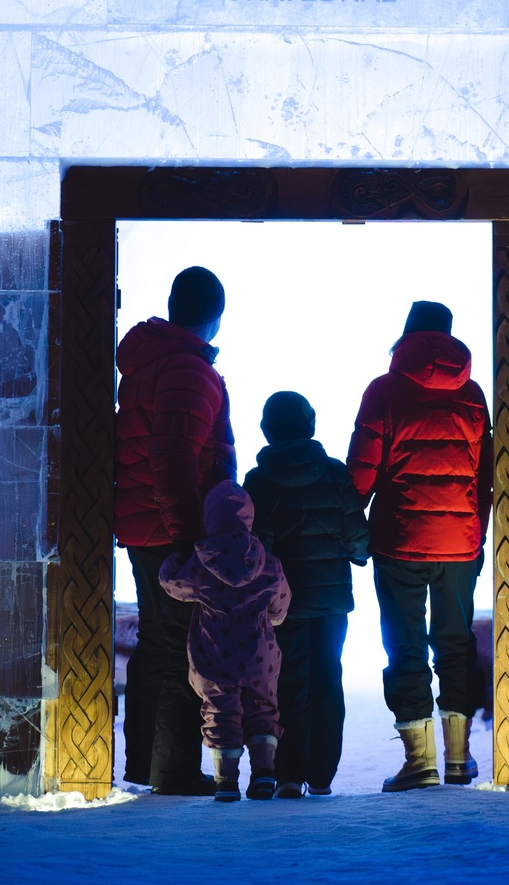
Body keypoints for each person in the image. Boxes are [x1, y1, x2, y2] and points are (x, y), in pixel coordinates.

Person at [347, 300, 492, 792]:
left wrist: (353, 525)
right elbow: (487, 473)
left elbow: (361, 472)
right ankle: (459, 758)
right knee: (455, 643)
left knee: (405, 646)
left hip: (399, 543)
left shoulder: (383, 391)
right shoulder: (472, 395)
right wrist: (477, 531)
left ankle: (420, 762)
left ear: (406, 336)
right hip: (460, 546)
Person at [114, 266, 235, 794]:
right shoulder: (187, 371)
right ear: (215, 318)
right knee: (180, 650)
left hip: (145, 523)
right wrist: (190, 536)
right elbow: (174, 458)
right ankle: (172, 769)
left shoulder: (147, 365)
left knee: (156, 646)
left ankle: (145, 765)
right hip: (171, 531)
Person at [244, 391, 369, 798]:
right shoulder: (334, 474)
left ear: (266, 430)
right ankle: (322, 775)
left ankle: (288, 774)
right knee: (328, 678)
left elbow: (259, 544)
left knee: (287, 682)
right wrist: (359, 553)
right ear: (311, 425)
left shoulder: (258, 481)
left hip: (283, 606)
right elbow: (356, 536)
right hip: (331, 602)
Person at [159, 481, 292, 802]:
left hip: (213, 653)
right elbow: (280, 607)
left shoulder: (201, 562)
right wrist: (269, 619)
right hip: (261, 652)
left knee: (219, 712)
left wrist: (170, 561)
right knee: (263, 709)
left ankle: (225, 782)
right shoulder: (268, 562)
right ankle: (264, 774)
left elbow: (171, 583)